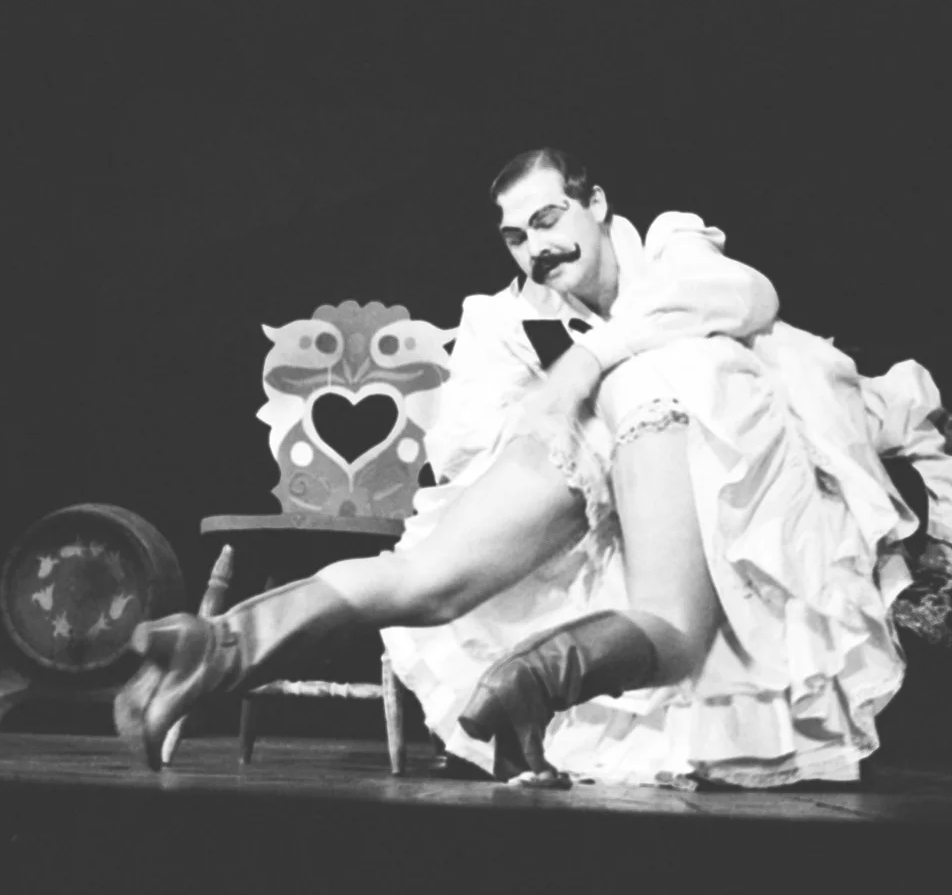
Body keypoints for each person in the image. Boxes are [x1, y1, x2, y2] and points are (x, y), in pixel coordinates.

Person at [115, 147, 952, 789]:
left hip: (696, 415)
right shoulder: (506, 320)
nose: (536, 248)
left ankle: (234, 647)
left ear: (597, 203)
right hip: (604, 446)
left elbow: (745, 295)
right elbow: (471, 443)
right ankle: (227, 644)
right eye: (516, 236)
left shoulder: (671, 247)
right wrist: (560, 420)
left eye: (549, 219)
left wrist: (585, 365)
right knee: (437, 581)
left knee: (644, 609)